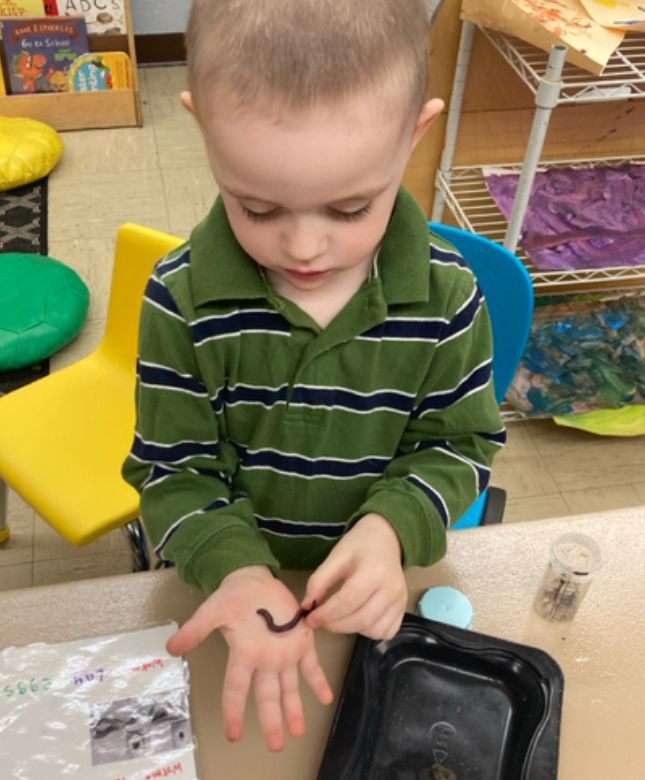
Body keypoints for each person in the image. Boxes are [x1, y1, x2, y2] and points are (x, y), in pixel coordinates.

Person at [122, 0, 505, 753]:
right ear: (202, 128)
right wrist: (233, 571)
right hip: (234, 597)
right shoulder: (181, 296)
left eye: (350, 206)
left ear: (413, 135)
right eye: (256, 206)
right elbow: (173, 471)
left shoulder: (447, 293)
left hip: (372, 600)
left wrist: (390, 526)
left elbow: (460, 446)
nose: (302, 246)